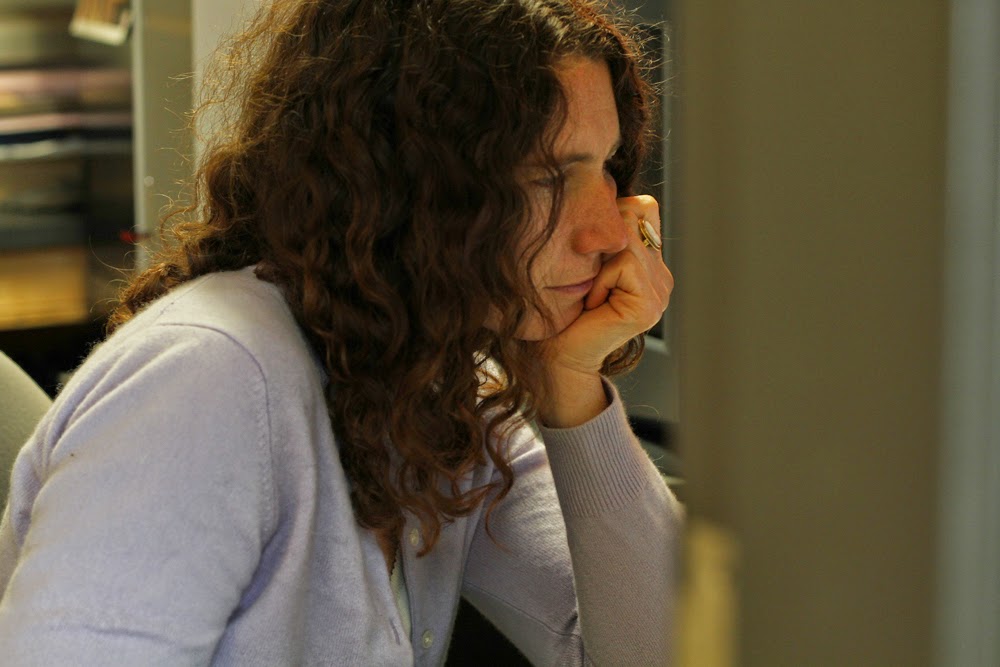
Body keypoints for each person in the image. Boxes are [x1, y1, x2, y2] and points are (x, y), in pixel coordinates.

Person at [0, 0, 680, 664]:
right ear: (404, 184)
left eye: (606, 166)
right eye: (547, 177)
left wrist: (569, 381)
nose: (609, 231)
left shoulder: (442, 385)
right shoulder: (207, 384)